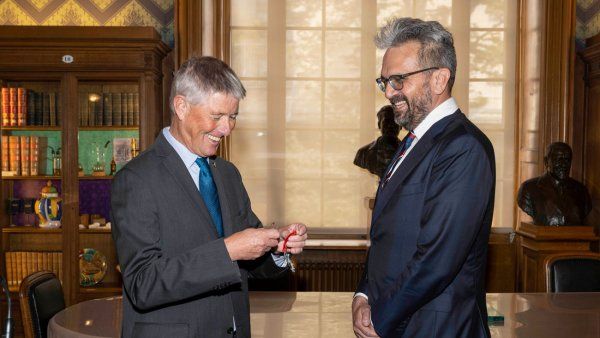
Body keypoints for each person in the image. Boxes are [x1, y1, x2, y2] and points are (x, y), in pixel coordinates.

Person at [111, 56, 307, 338]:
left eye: (233, 116)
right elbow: (143, 284)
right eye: (216, 116)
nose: (227, 129)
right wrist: (227, 251)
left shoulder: (228, 174)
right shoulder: (136, 180)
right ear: (181, 106)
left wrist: (277, 246)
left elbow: (248, 261)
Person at [352, 17, 495, 338]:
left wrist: (380, 316)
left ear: (439, 79)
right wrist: (363, 296)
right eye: (385, 81)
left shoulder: (463, 146)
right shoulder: (412, 143)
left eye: (399, 79)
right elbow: (388, 238)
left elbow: (438, 259)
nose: (389, 91)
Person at [517, 142, 591, 226]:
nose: (563, 164)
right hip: (543, 236)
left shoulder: (581, 191)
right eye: (558, 159)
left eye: (567, 159)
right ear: (546, 162)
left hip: (576, 237)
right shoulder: (528, 189)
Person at [354, 105, 401, 178]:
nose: (390, 126)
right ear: (379, 125)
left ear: (400, 126)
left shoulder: (408, 152)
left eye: (394, 122)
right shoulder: (363, 153)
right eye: (386, 122)